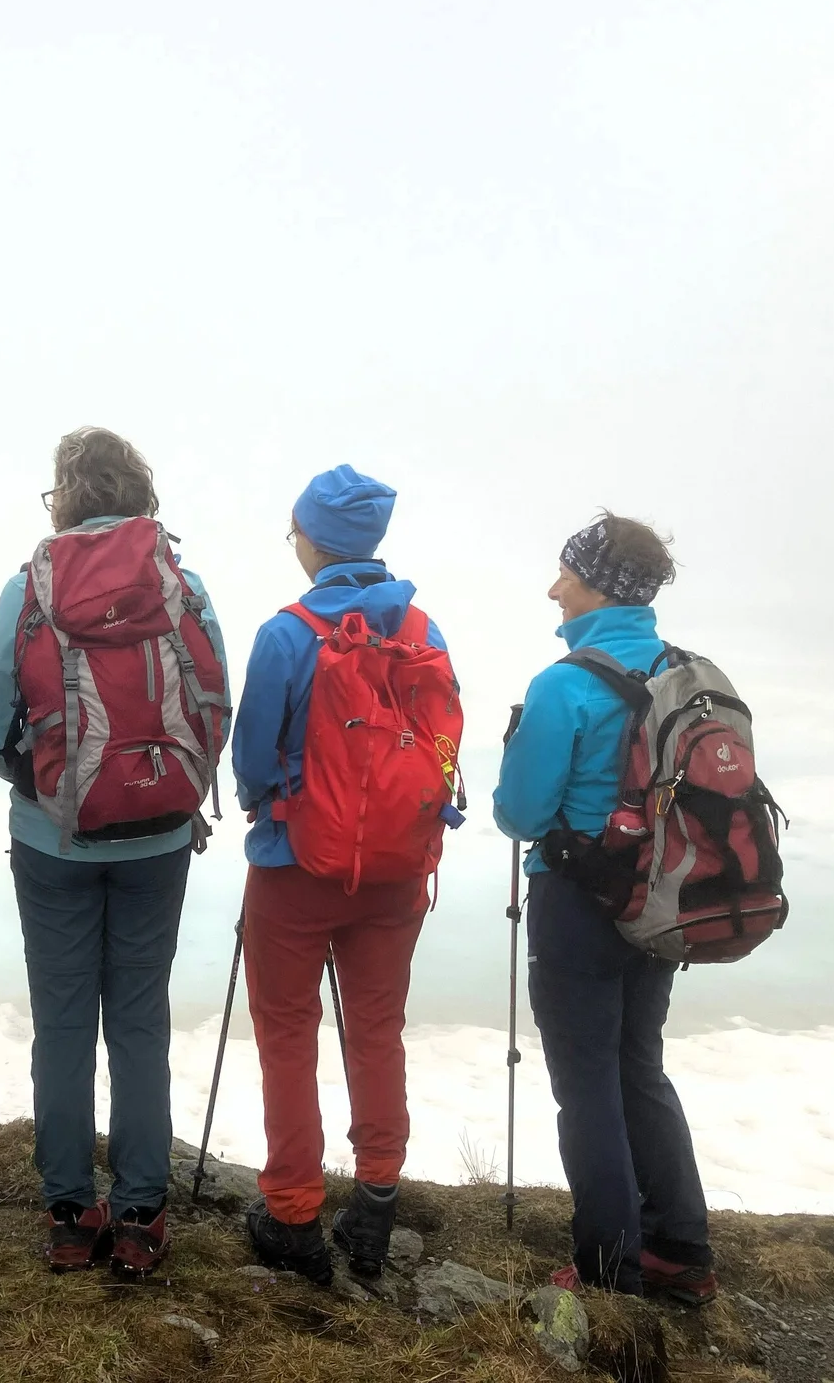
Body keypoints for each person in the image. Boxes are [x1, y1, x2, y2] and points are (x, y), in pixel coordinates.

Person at [0, 427, 230, 1278]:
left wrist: (49, 786)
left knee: (63, 1025)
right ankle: (142, 1215)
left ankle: (68, 1214)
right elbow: (214, 703)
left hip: (53, 839)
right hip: (159, 836)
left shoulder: (28, 590)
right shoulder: (182, 587)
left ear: (65, 497)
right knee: (139, 1020)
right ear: (142, 493)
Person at [231, 466, 454, 1286]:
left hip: (295, 866)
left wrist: (271, 807)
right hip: (398, 870)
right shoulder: (424, 628)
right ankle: (376, 1203)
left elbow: (253, 761)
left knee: (287, 1033)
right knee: (376, 1029)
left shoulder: (288, 633)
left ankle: (292, 1213)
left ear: (313, 540)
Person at [491, 513, 717, 1305]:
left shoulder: (565, 684)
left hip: (578, 905)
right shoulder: (685, 674)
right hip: (661, 905)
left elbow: (519, 813)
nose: (555, 588)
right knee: (637, 1068)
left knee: (585, 1084)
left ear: (602, 588)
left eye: (569, 575)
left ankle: (607, 1273)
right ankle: (680, 1249)